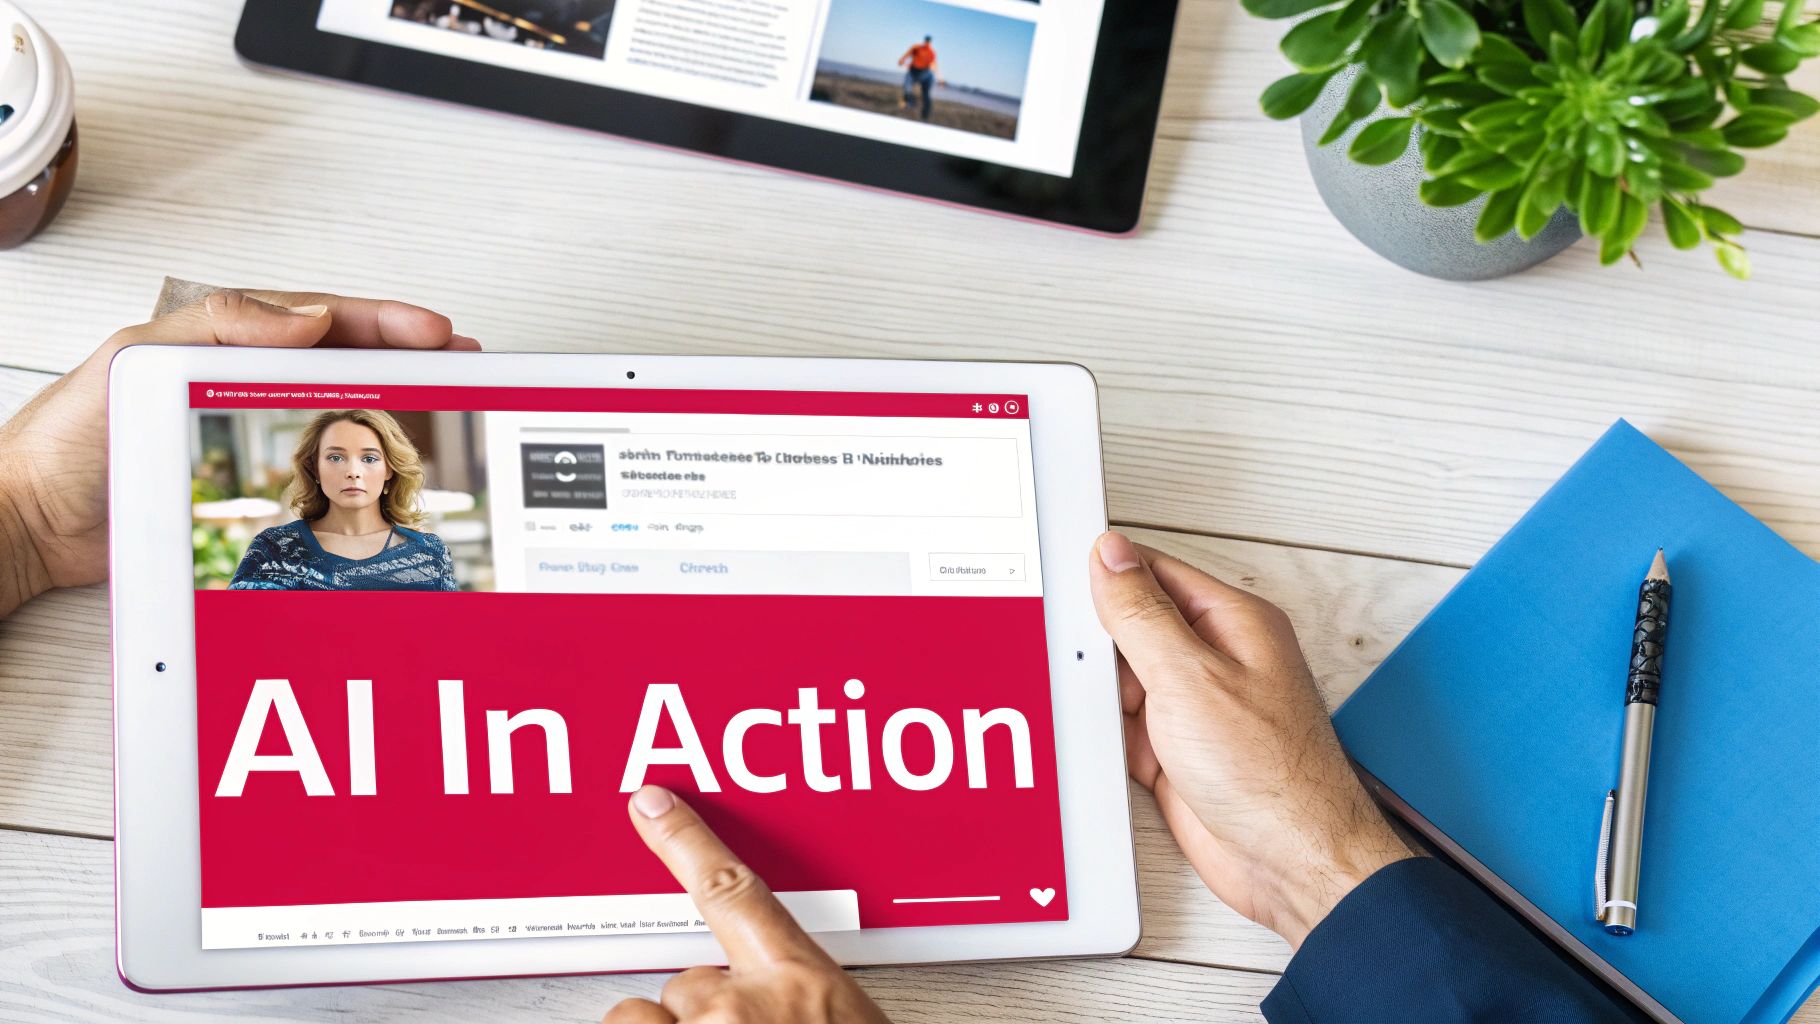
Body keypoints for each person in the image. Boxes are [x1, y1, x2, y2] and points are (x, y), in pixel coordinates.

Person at [0, 292, 1630, 1023]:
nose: (355, 469)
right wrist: (1315, 860)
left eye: (377, 458)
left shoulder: (421, 543)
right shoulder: (290, 561)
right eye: (332, 457)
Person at [228, 408, 458, 591]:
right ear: (314, 468)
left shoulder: (429, 552)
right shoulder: (273, 549)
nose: (353, 471)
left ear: (389, 470)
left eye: (369, 458)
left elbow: (451, 640)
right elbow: (240, 637)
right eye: (336, 457)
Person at [897, 35, 940, 122]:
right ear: (924, 41)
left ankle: (925, 115)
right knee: (907, 89)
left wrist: (940, 78)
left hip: (925, 74)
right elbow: (907, 54)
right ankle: (908, 105)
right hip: (913, 72)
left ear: (930, 42)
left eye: (929, 41)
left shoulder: (932, 53)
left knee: (926, 95)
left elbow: (934, 65)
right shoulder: (916, 48)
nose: (927, 43)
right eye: (926, 41)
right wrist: (902, 60)